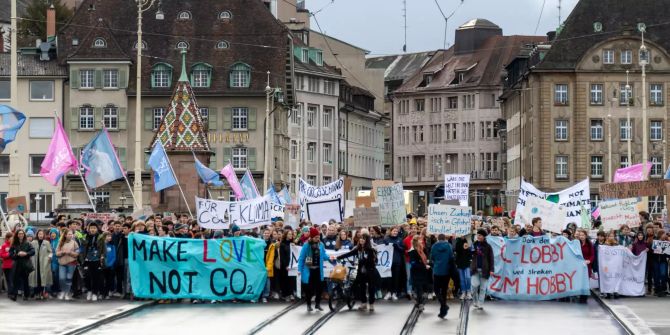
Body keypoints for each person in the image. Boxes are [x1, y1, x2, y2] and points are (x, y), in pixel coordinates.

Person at [334, 232, 380, 312]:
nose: (361, 240)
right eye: (361, 238)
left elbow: (373, 261)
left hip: (370, 271)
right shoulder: (358, 249)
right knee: (361, 287)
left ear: (367, 241)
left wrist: (364, 260)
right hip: (361, 272)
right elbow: (349, 253)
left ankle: (371, 304)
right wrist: (338, 257)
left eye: (363, 239)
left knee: (371, 288)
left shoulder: (370, 250)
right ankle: (364, 303)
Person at [297, 227, 330, 312]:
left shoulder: (321, 245)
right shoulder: (306, 245)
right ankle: (308, 304)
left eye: (318, 237)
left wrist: (330, 258)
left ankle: (317, 304)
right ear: (311, 237)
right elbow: (301, 258)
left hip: (318, 270)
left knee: (319, 288)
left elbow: (324, 255)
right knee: (309, 289)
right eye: (316, 237)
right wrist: (299, 270)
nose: (317, 239)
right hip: (309, 270)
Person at [430, 234, 454, 319]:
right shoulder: (449, 246)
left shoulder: (434, 246)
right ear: (445, 238)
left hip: (437, 270)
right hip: (446, 270)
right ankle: (443, 311)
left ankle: (443, 306)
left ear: (437, 238)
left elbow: (432, 257)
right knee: (444, 291)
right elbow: (451, 257)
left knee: (436, 290)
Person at [9, 229, 35, 301]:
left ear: (24, 235)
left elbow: (33, 251)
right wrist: (17, 254)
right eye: (19, 234)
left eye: (22, 234)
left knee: (25, 280)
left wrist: (26, 253)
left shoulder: (27, 243)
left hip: (25, 264)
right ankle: (14, 295)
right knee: (15, 280)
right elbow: (10, 254)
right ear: (17, 235)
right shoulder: (14, 243)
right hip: (17, 264)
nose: (21, 235)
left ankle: (26, 295)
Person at [470, 229, 493, 310]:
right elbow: (470, 254)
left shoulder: (488, 246)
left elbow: (491, 258)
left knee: (483, 288)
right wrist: (468, 249)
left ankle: (480, 303)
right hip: (475, 269)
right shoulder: (474, 244)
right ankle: (475, 301)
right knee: (474, 286)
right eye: (477, 235)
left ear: (484, 236)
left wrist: (491, 269)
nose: (478, 236)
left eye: (480, 235)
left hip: (485, 270)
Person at [81, 222, 104, 301]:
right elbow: (82, 247)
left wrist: (102, 256)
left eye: (94, 228)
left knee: (96, 277)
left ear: (97, 229)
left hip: (97, 260)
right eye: (91, 228)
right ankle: (89, 291)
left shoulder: (100, 237)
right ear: (89, 229)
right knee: (87, 276)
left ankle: (94, 292)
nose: (93, 229)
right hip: (87, 259)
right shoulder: (85, 236)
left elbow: (103, 248)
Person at [29, 229, 53, 300]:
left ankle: (42, 292)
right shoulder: (33, 242)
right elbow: (30, 251)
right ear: (37, 235)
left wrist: (49, 257)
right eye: (39, 234)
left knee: (43, 278)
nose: (40, 235)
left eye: (42, 234)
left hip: (44, 263)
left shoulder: (47, 242)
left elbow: (50, 252)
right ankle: (36, 293)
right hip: (35, 262)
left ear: (44, 235)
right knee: (36, 278)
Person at [409, 235, 430, 311]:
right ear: (416, 241)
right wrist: (424, 266)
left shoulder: (422, 249)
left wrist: (427, 262)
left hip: (423, 272)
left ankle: (417, 300)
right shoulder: (412, 251)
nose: (421, 241)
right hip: (416, 273)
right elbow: (414, 263)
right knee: (419, 289)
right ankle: (420, 304)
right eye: (420, 240)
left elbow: (425, 258)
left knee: (423, 289)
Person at [384, 227, 405, 301]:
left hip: (397, 261)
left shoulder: (400, 239)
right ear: (391, 231)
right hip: (388, 262)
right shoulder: (386, 239)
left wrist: (397, 247)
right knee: (388, 277)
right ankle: (389, 292)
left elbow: (403, 250)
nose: (395, 232)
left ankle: (394, 293)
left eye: (396, 231)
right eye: (394, 231)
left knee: (396, 278)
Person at [576, 229, 594, 303]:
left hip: (587, 266)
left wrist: (589, 261)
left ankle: (584, 296)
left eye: (583, 235)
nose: (581, 237)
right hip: (579, 265)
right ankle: (579, 294)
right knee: (579, 280)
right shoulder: (576, 243)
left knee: (586, 281)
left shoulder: (590, 244)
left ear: (586, 236)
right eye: (580, 235)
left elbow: (592, 255)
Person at [455, 236, 473, 300]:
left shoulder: (469, 241)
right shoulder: (457, 241)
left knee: (468, 277)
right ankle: (463, 292)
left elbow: (471, 252)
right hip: (460, 262)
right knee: (462, 279)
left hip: (467, 262)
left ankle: (468, 291)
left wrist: (467, 248)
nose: (462, 236)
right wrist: (462, 247)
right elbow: (456, 250)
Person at [101, 232, 116, 299]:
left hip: (109, 266)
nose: (109, 237)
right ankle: (102, 293)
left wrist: (109, 264)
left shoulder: (112, 246)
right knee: (101, 280)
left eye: (110, 236)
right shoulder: (100, 245)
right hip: (102, 266)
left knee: (108, 280)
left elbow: (114, 257)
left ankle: (106, 293)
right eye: (108, 236)